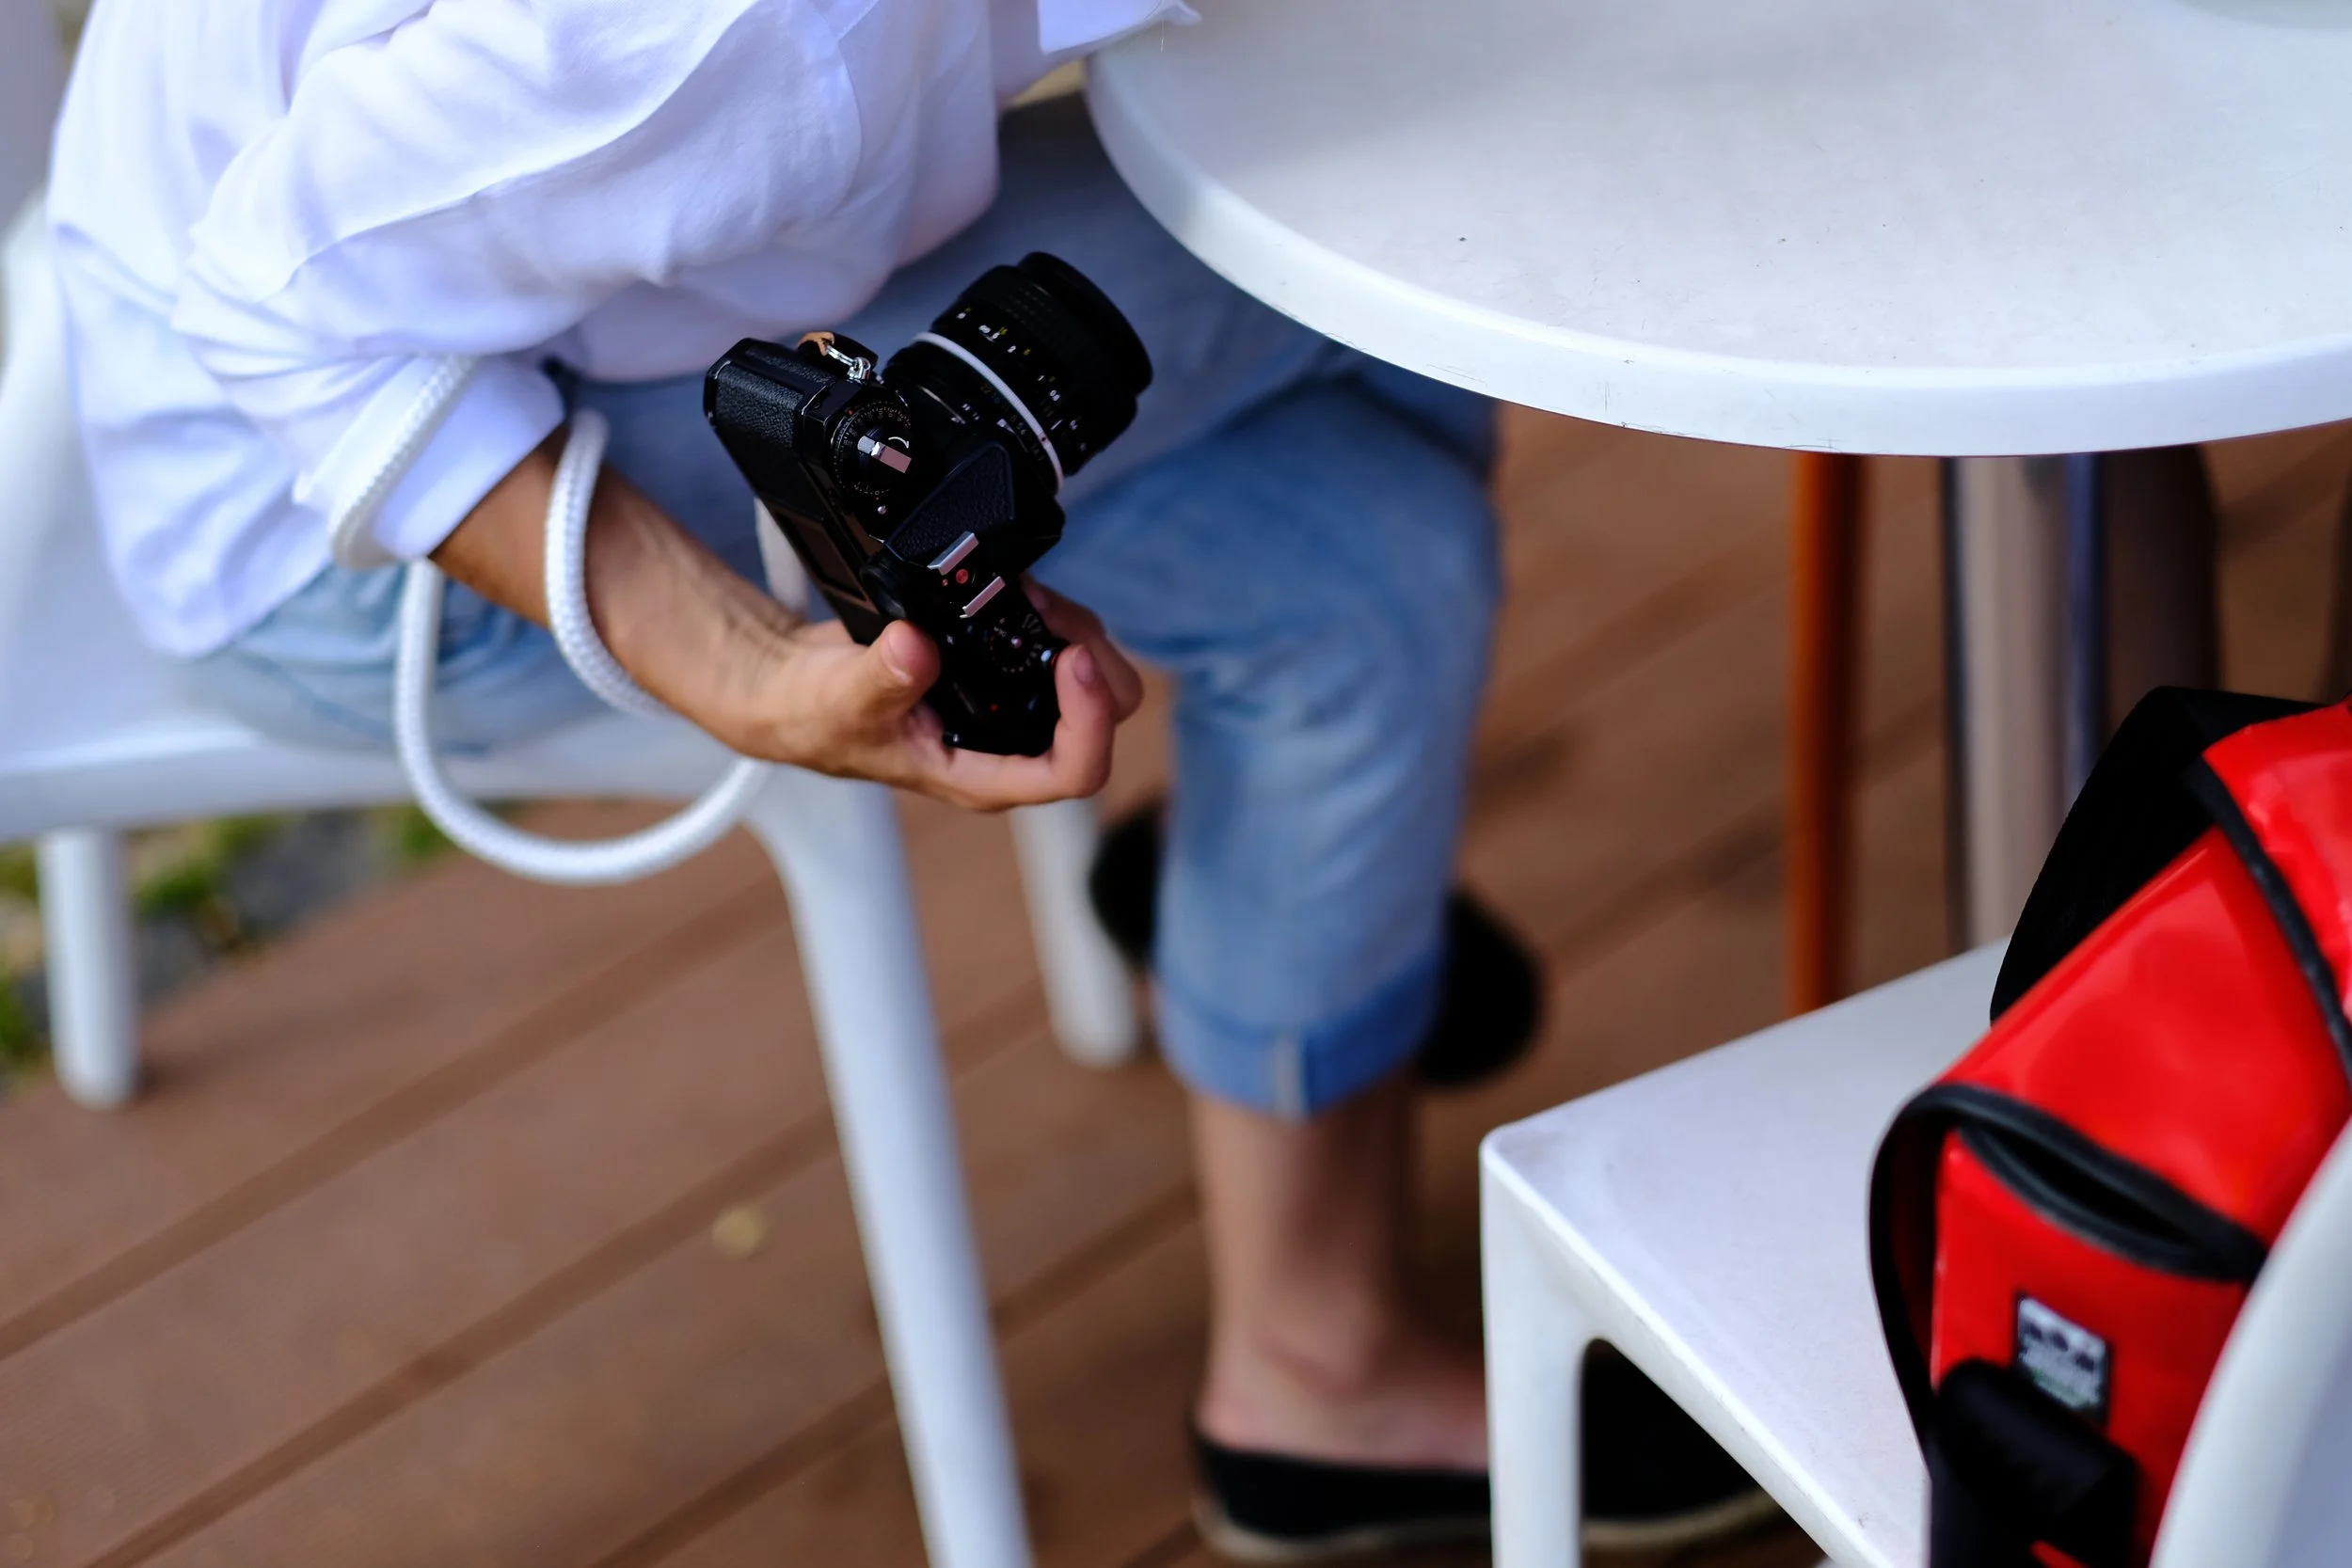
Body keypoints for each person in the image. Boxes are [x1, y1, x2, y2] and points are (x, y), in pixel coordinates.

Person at [46, 0, 1767, 1556]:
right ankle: (1309, 1091)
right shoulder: (732, 32)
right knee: (1388, 224)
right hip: (337, 501)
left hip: (503, 276)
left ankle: (1306, 1177)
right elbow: (276, 306)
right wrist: (744, 673)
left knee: (1371, 564)